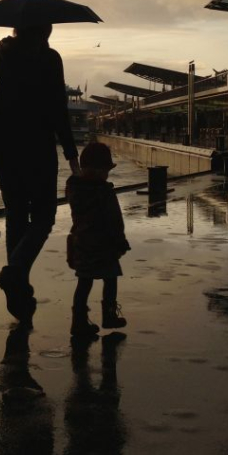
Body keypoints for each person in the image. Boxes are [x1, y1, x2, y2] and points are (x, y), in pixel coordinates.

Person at [0, 23, 80, 325]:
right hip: (38, 147)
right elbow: (58, 109)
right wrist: (70, 152)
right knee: (44, 216)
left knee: (15, 213)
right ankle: (15, 273)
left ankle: (18, 294)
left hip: (3, 148)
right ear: (44, 32)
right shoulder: (49, 59)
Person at [65, 141, 130, 336]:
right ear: (100, 169)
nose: (107, 174)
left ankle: (78, 321)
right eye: (105, 170)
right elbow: (115, 220)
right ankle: (109, 315)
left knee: (84, 283)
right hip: (105, 245)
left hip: (81, 244)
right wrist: (121, 242)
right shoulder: (104, 192)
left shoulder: (75, 189)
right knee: (110, 279)